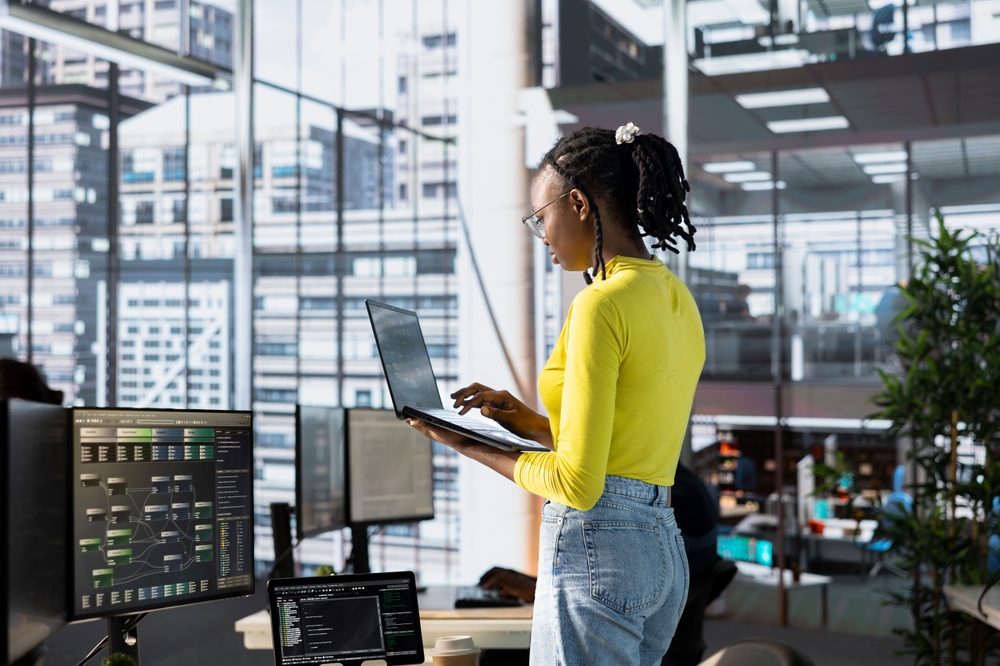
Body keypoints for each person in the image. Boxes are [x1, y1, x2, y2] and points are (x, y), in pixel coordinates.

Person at [407, 123, 705, 665]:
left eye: (541, 218)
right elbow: (628, 441)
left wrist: (465, 444)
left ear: (578, 204)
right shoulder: (674, 296)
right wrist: (529, 422)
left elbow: (580, 484)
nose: (542, 234)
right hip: (660, 547)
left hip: (601, 545)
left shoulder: (600, 304)